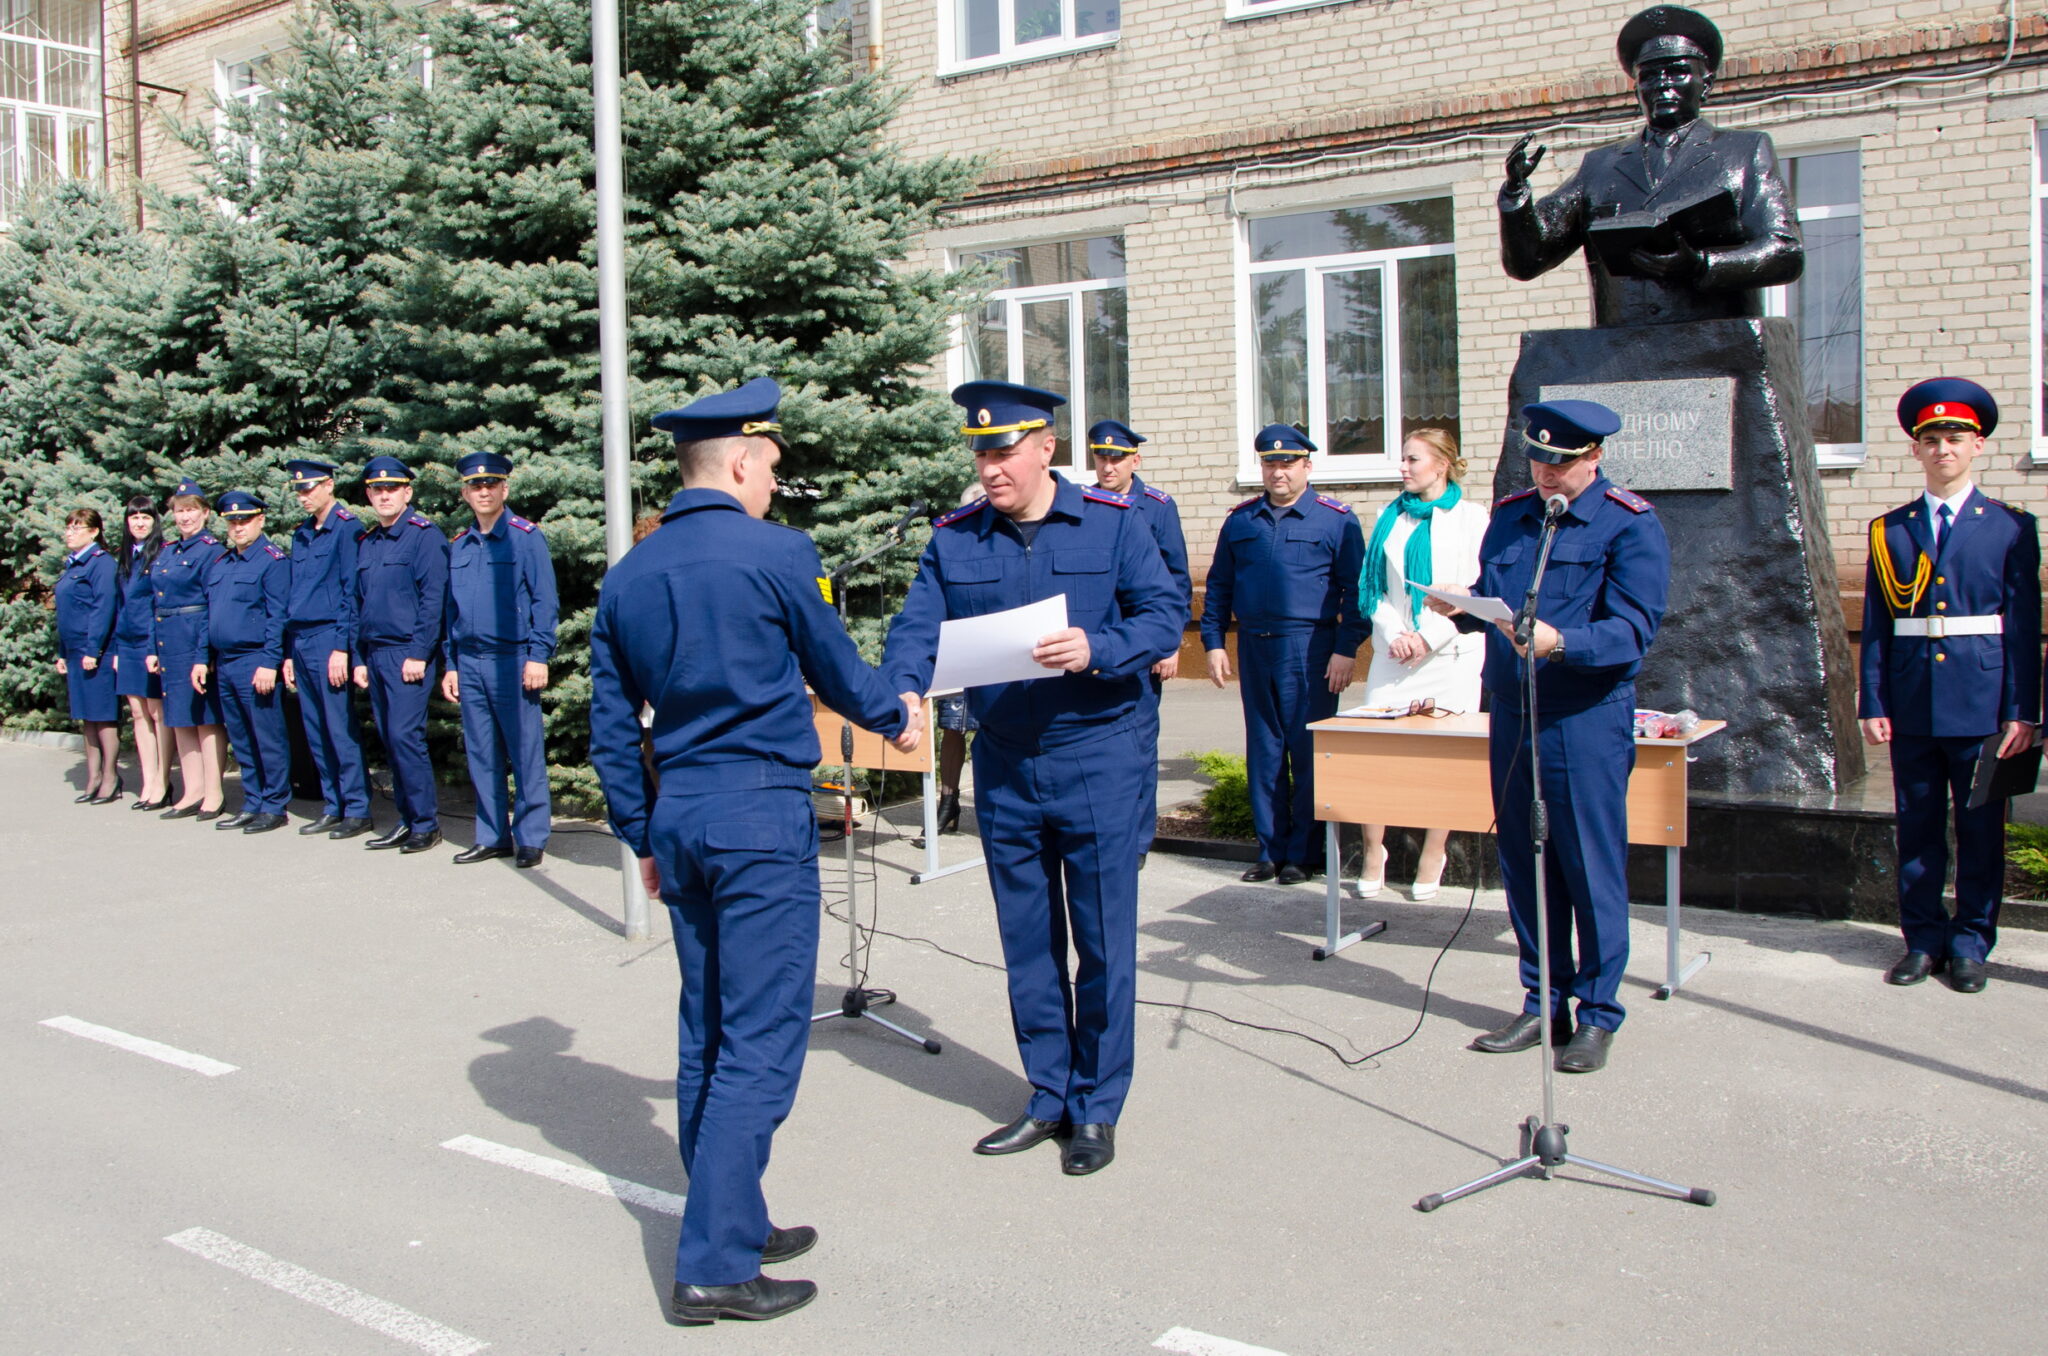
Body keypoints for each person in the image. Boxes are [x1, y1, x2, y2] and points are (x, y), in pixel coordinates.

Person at [588, 377, 921, 1325]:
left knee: (708, 1029)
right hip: (759, 816)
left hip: (683, 817)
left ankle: (731, 1208)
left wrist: (639, 830)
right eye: (771, 465)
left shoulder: (629, 574)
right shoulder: (778, 553)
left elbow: (610, 726)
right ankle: (714, 1265)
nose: (775, 481)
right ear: (738, 461)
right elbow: (838, 670)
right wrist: (897, 714)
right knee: (763, 1041)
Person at [883, 380, 1183, 1177]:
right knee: (1027, 943)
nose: (988, 468)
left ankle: (1096, 1106)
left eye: (1003, 450)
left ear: (1046, 448)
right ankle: (1047, 1092)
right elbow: (915, 627)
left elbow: (1162, 612)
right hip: (1009, 764)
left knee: (1103, 943)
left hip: (1100, 757)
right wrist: (907, 685)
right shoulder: (955, 540)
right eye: (979, 452)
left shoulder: (1115, 526)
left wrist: (1099, 647)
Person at [1430, 401, 1669, 1074]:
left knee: (1587, 866)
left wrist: (1564, 642)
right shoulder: (1511, 516)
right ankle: (1543, 1001)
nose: (1546, 474)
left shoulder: (1630, 525)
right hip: (1513, 711)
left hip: (1584, 717)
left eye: (1560, 463)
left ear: (1594, 458)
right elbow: (1499, 599)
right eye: (1537, 460)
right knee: (1524, 860)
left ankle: (1596, 1013)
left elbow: (1633, 630)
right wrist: (1465, 607)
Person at [1859, 379, 2041, 994]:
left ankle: (1970, 944)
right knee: (1916, 828)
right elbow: (1880, 623)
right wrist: (1873, 700)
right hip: (1911, 702)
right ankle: (1922, 941)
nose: (1943, 450)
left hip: (1983, 703)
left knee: (1981, 830)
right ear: (1916, 451)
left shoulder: (2010, 528)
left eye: (1955, 439)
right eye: (1930, 440)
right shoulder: (1891, 530)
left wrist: (2024, 711)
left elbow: (2022, 626)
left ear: (1978, 446)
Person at [1497, 5, 1802, 329]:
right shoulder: (1600, 167)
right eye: (1650, 75)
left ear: (1706, 82)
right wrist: (1516, 194)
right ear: (1637, 89)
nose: (1662, 85)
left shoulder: (1743, 153)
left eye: (1677, 72)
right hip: (1618, 353)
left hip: (1715, 347)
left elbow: (1784, 252)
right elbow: (1528, 261)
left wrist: (1700, 264)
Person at [1201, 425, 1367, 885]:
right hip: (1255, 644)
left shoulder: (1336, 520)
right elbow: (1218, 587)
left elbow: (1357, 592)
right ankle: (1269, 851)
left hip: (1310, 648)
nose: (1278, 471)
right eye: (1270, 463)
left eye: (1288, 463)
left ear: (1307, 467)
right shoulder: (1241, 521)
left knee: (1308, 750)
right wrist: (1214, 642)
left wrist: (1345, 649)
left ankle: (1303, 854)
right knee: (1265, 750)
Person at [1355, 429, 1488, 899]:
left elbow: (1473, 591)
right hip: (1396, 653)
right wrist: (1398, 635)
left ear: (1442, 465)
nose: (1403, 468)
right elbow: (1374, 590)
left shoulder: (1473, 518)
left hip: (1449, 652)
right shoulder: (1389, 516)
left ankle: (1434, 850)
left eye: (1413, 459)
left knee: (1443, 759)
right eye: (1402, 460)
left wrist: (1426, 637)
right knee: (1373, 754)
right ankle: (1374, 850)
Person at [442, 451, 559, 869]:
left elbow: (545, 600)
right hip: (470, 661)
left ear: (504, 489)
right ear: (466, 493)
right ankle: (492, 835)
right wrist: (451, 664)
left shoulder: (526, 538)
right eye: (476, 485)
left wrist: (538, 655)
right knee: (481, 751)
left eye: (491, 483)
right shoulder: (459, 544)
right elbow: (450, 611)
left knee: (525, 750)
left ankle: (530, 836)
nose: (484, 490)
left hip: (513, 659)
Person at [1089, 418, 1192, 864]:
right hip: (1098, 642)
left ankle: (1136, 842)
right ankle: (1102, 831)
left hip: (1144, 644)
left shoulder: (1156, 506)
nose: (1108, 466)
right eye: (1101, 457)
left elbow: (1177, 581)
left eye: (1117, 458)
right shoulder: (1085, 503)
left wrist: (1169, 646)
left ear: (1136, 459)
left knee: (1139, 747)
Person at [353, 456, 448, 854]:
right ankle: (407, 821)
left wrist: (419, 653)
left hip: (407, 655)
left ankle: (426, 824)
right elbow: (357, 603)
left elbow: (433, 601)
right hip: (375, 655)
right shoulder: (369, 541)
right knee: (391, 742)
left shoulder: (425, 536)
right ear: (369, 495)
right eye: (377, 489)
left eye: (392, 488)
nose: (384, 495)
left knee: (405, 738)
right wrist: (358, 658)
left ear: (407, 492)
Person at [280, 459, 373, 840]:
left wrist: (342, 648)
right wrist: (287, 652)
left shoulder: (346, 528)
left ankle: (357, 808)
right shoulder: (302, 533)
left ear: (329, 485)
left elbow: (352, 593)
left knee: (338, 726)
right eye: (299, 490)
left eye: (310, 488)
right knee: (315, 728)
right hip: (301, 639)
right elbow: (294, 595)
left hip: (328, 638)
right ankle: (332, 804)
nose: (304, 496)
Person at [200, 491, 293, 833]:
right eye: (232, 521)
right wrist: (204, 657)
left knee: (267, 735)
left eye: (245, 520)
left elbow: (277, 617)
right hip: (225, 662)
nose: (238, 527)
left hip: (256, 660)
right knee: (241, 737)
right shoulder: (223, 564)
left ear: (260, 520)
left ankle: (274, 805)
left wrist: (270, 662)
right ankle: (252, 801)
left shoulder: (272, 561)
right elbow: (209, 614)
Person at [150, 479, 228, 820]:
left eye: (191, 510)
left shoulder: (211, 550)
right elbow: (159, 600)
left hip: (195, 638)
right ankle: (191, 789)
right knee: (180, 716)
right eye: (179, 511)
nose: (184, 517)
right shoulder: (169, 551)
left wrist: (204, 654)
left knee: (206, 719)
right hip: (170, 640)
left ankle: (214, 791)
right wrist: (155, 647)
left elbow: (212, 604)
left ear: (205, 513)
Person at [53, 508, 122, 803]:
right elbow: (67, 613)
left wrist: (94, 649)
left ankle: (110, 777)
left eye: (77, 528)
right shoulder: (73, 564)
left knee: (104, 716)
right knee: (87, 717)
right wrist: (61, 652)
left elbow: (103, 608)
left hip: (96, 651)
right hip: (75, 651)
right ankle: (93, 777)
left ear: (94, 532)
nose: (70, 532)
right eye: (68, 527)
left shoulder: (101, 563)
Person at [111, 497, 173, 810]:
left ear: (154, 521)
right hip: (128, 643)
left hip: (152, 642)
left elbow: (158, 605)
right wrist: (118, 647)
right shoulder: (125, 557)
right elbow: (121, 604)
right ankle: (148, 779)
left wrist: (154, 647)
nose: (139, 522)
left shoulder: (162, 553)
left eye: (145, 517)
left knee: (156, 712)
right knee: (137, 713)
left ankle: (163, 780)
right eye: (133, 517)